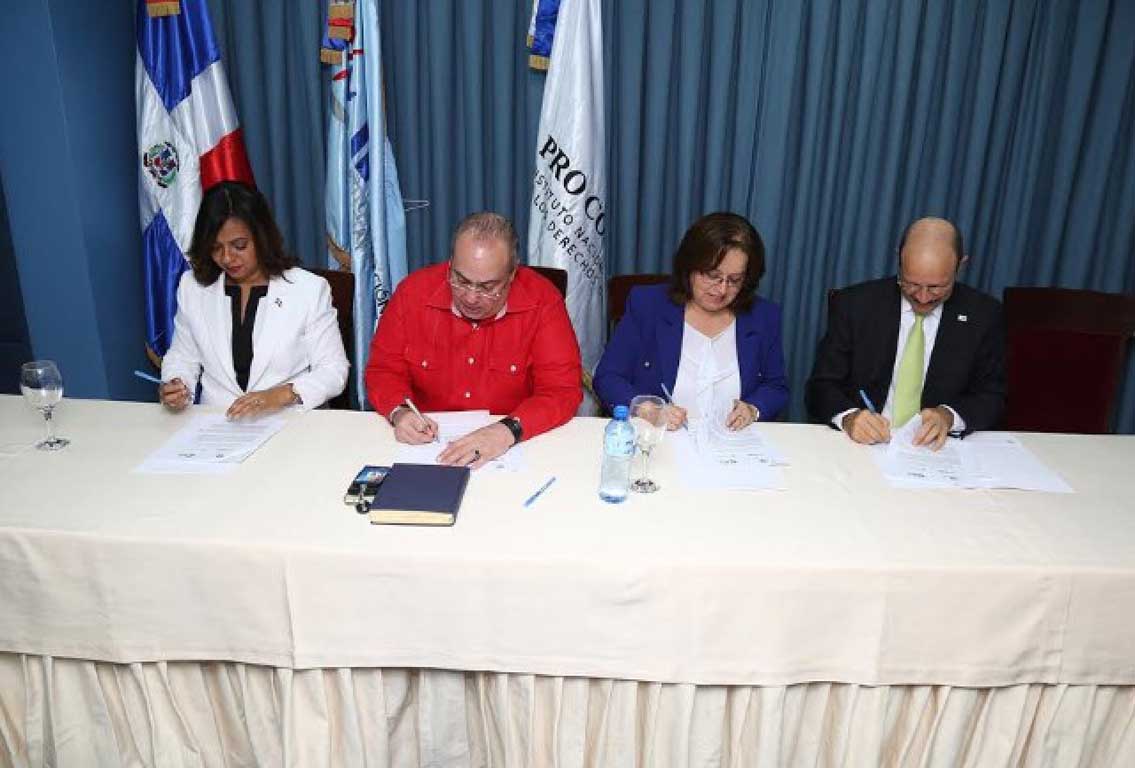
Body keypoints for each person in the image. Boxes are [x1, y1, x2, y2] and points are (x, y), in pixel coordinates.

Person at [365, 212, 582, 468]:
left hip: (513, 447)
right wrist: (399, 411)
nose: (470, 297)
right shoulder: (412, 293)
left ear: (512, 274)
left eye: (488, 287)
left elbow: (561, 391)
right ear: (450, 264)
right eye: (460, 280)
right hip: (427, 448)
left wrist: (507, 430)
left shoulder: (543, 301)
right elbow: (383, 370)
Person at [805, 216, 1005, 450]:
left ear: (960, 265)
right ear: (899, 259)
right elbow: (821, 387)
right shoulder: (855, 305)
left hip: (937, 449)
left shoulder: (984, 315)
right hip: (863, 445)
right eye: (911, 283)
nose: (922, 297)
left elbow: (992, 396)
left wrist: (949, 416)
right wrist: (849, 417)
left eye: (936, 287)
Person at [160, 182, 348, 416]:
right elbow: (182, 355)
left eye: (239, 246)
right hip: (217, 422)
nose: (227, 258)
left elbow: (334, 370)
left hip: (289, 421)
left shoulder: (308, 289)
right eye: (216, 248)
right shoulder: (193, 287)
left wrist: (282, 394)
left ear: (262, 237)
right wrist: (177, 383)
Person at [593, 212, 789, 430]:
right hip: (662, 439)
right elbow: (608, 377)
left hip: (733, 442)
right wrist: (646, 409)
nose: (722, 289)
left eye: (735, 280)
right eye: (713, 276)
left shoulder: (764, 316)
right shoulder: (648, 306)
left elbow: (776, 387)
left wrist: (753, 409)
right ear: (689, 267)